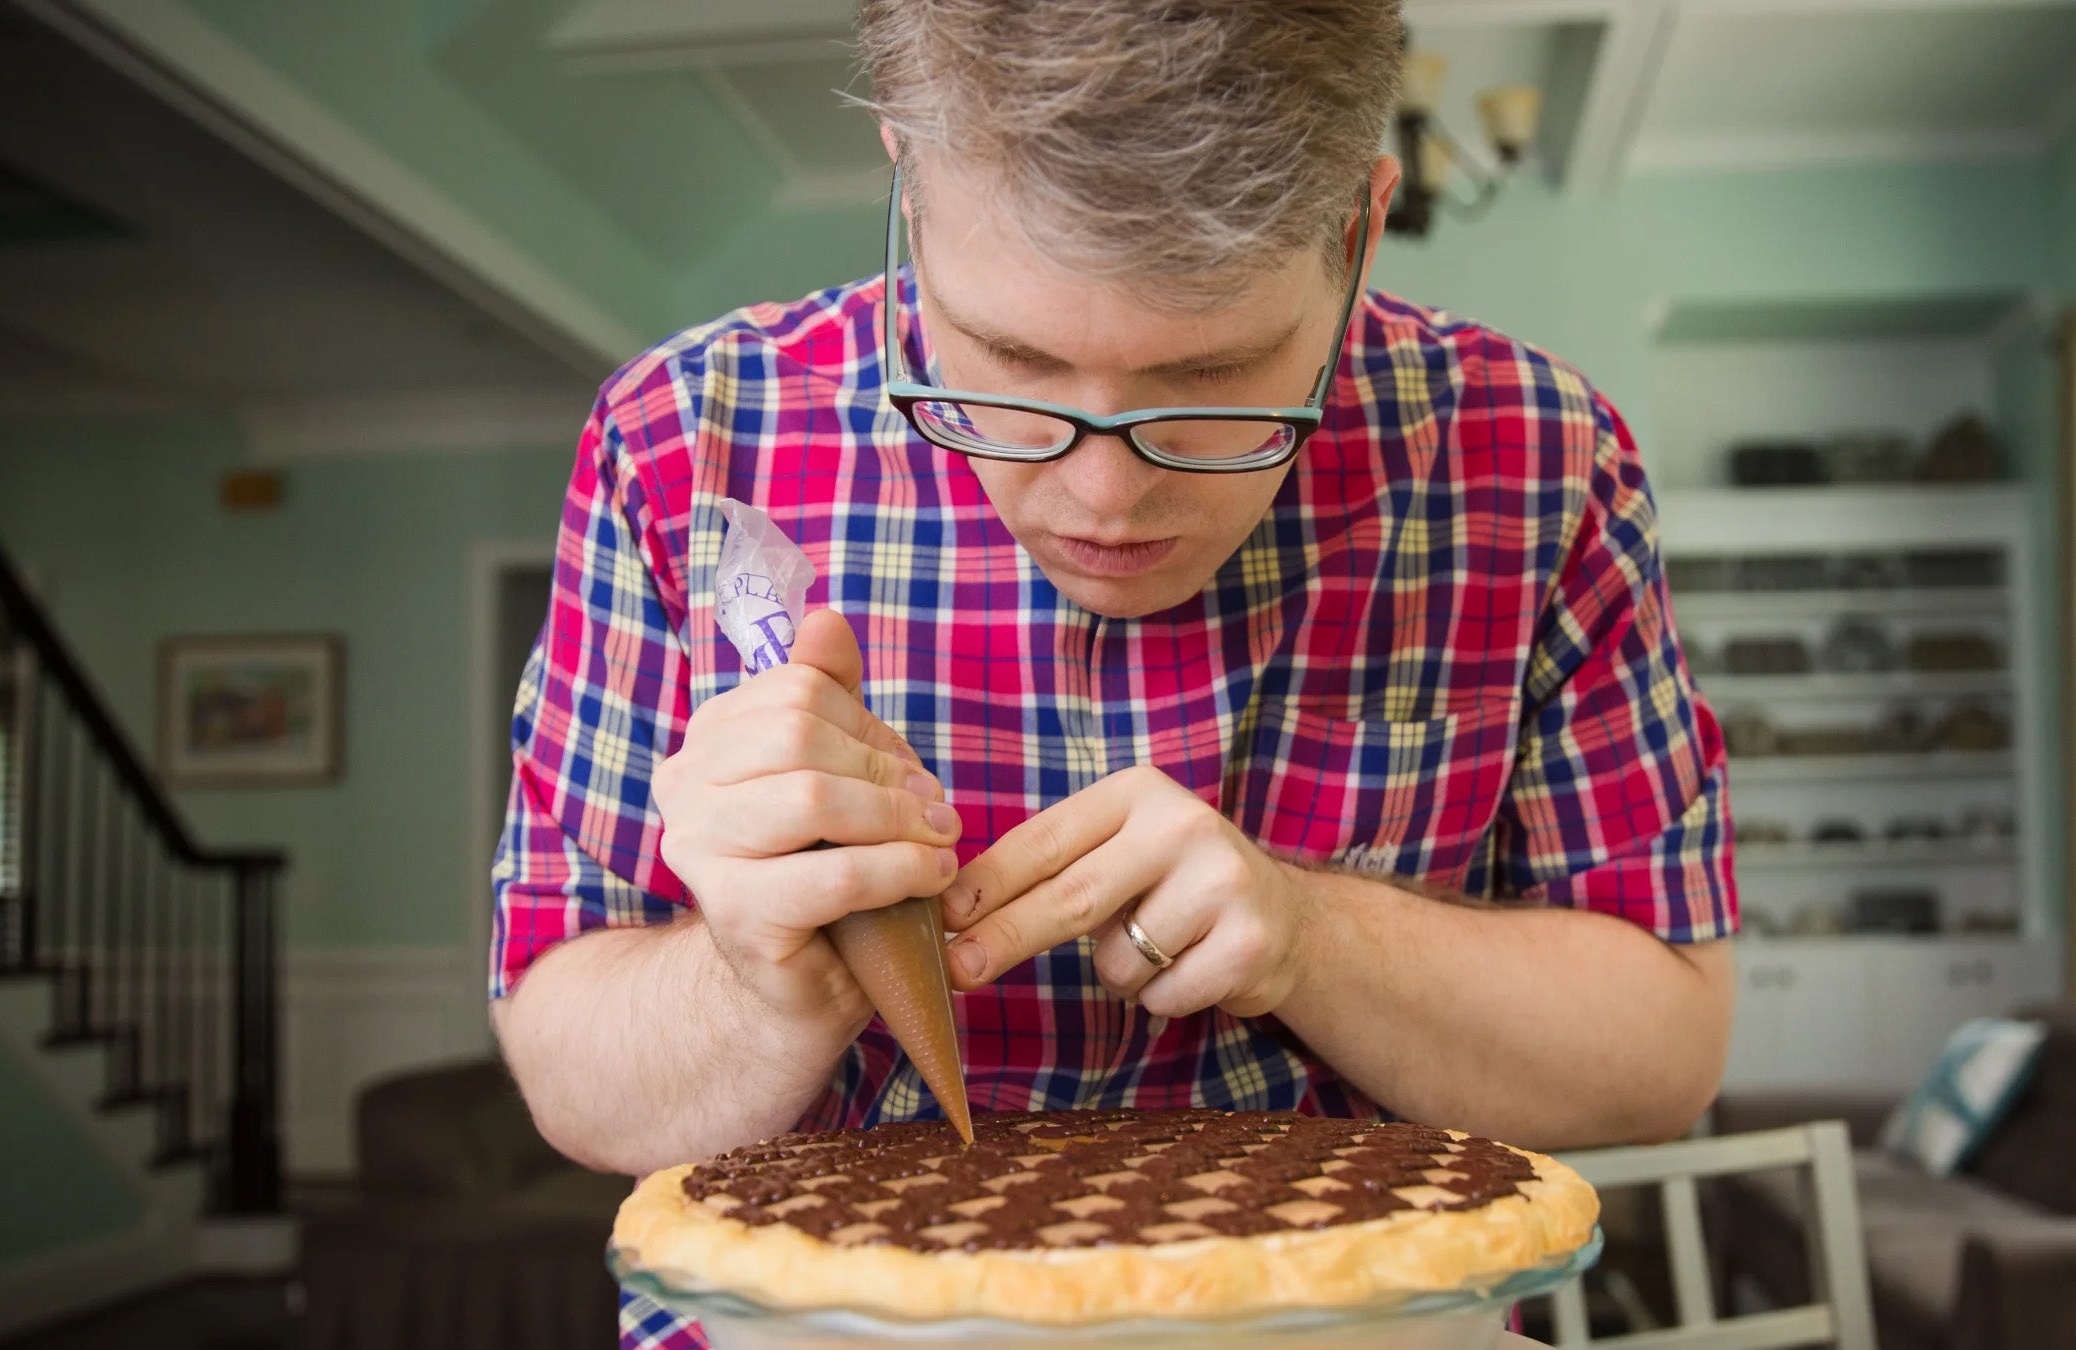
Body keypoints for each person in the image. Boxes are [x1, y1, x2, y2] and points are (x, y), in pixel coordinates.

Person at [490, 2, 1734, 1343]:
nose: (1104, 493)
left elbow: (1662, 1055)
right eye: (1014, 362)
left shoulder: (1539, 459)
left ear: (1362, 228)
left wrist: (1313, 934)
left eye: (1212, 378)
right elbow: (575, 1080)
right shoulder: (684, 436)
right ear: (907, 183)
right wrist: (756, 983)